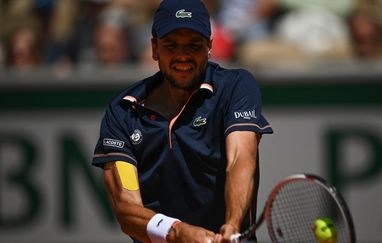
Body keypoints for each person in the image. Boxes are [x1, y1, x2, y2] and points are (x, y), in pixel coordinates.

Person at [92, 0, 273, 242]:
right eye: (171, 45)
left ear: (209, 47)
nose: (183, 56)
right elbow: (126, 208)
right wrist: (176, 232)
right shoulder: (123, 110)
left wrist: (231, 224)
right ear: (155, 48)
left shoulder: (236, 87)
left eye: (193, 45)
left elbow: (241, 158)